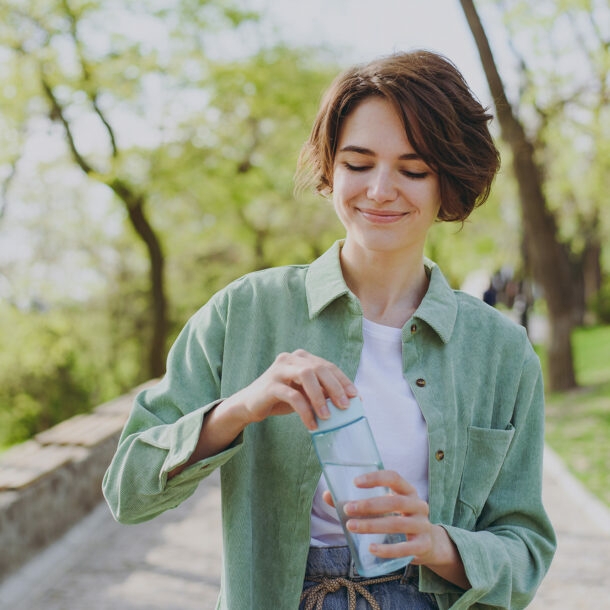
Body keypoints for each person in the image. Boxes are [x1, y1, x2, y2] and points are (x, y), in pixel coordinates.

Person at [103, 50, 556, 609]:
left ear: (449, 182)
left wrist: (436, 544)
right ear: (330, 169)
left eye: (413, 170)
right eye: (358, 164)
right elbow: (127, 491)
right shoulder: (244, 310)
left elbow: (527, 550)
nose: (380, 189)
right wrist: (238, 410)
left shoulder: (501, 351)